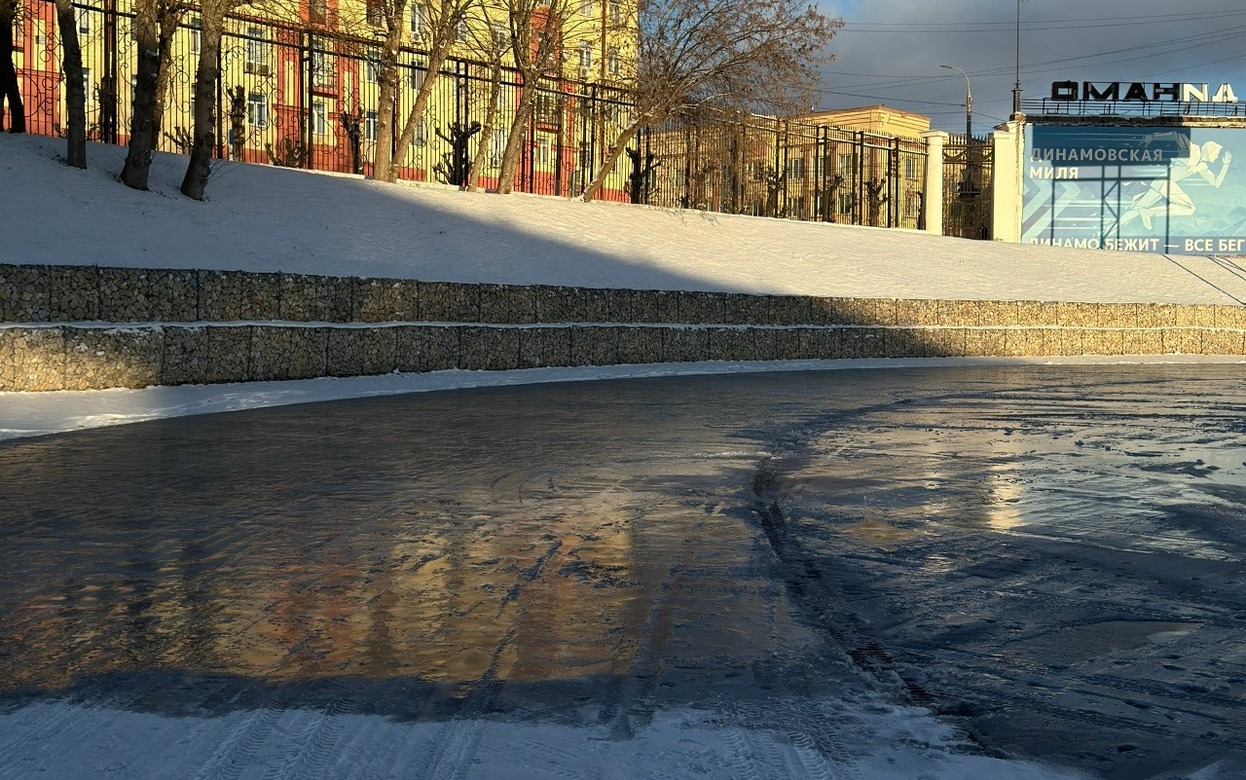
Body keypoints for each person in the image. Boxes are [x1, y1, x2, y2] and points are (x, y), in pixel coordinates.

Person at [1121, 133, 1232, 230]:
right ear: (1210, 150)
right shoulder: (1192, 149)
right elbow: (1176, 135)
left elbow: (1216, 183)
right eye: (1216, 153)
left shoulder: (1202, 166)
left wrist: (1225, 164)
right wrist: (1152, 137)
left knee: (1137, 209)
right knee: (1190, 208)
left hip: (1163, 184)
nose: (1217, 157)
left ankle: (1109, 230)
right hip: (1165, 182)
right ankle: (1149, 212)